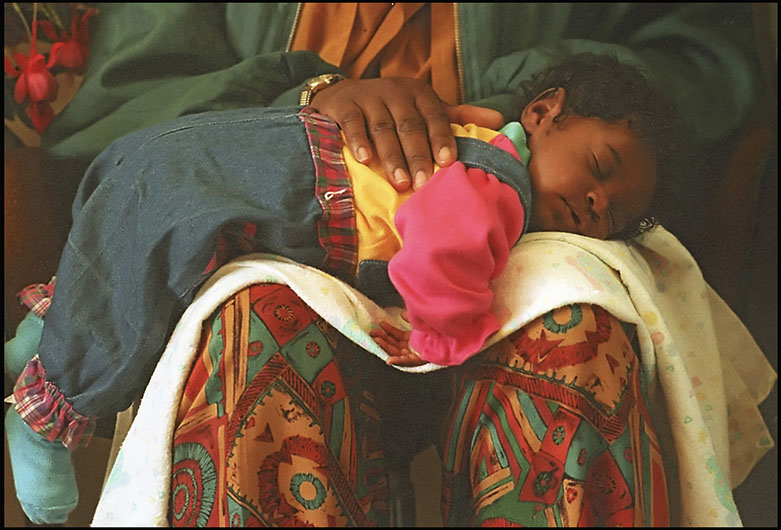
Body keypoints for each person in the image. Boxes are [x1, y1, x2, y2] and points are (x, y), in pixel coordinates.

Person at [4, 3, 770, 527]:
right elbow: (122, 106)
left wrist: (508, 101)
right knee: (252, 333)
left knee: (575, 334)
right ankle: (56, 375)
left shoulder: (557, 164)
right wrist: (307, 98)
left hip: (531, 220)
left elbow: (705, 63)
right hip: (286, 230)